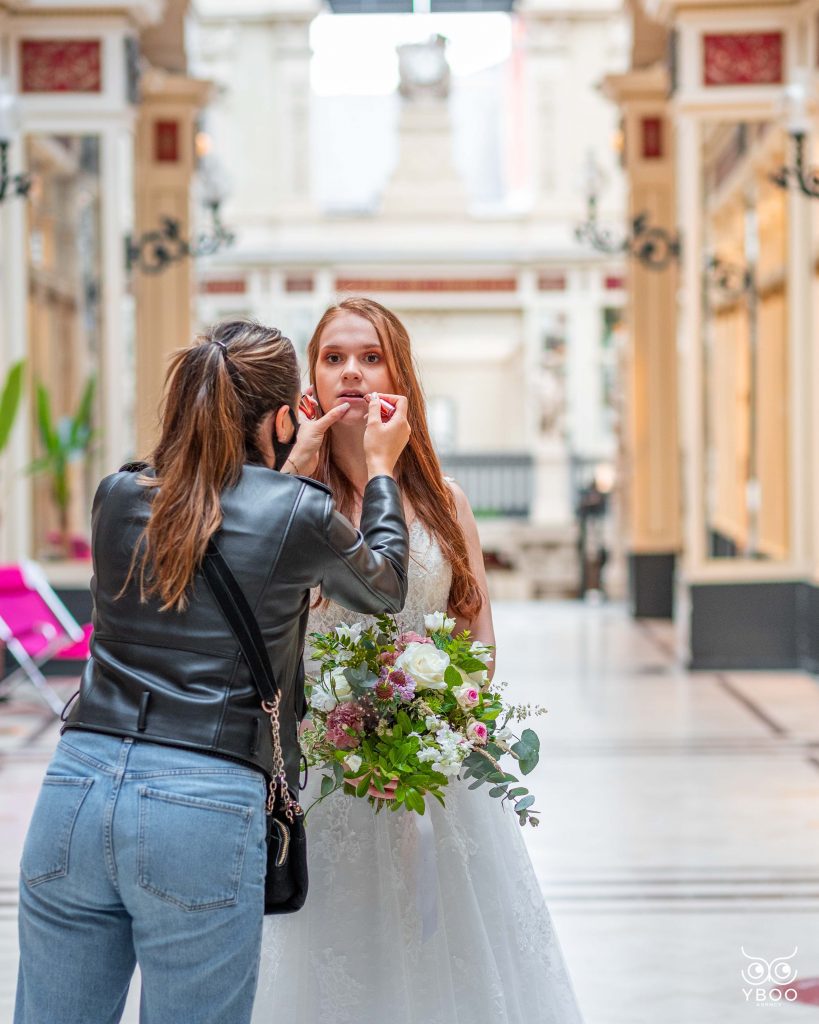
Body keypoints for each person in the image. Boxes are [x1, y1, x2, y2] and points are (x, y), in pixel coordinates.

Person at [14, 319, 412, 1024]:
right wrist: (380, 471)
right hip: (201, 797)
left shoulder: (118, 495)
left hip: (74, 787)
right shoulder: (298, 511)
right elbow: (381, 588)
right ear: (286, 415)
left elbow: (217, 520)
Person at [253, 299, 585, 1024]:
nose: (351, 373)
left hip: (432, 772)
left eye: (369, 357)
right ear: (310, 378)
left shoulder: (443, 503)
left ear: (398, 374)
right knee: (334, 948)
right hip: (321, 773)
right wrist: (296, 463)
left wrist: (442, 713)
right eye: (333, 357)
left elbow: (474, 629)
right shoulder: (286, 500)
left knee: (443, 949)